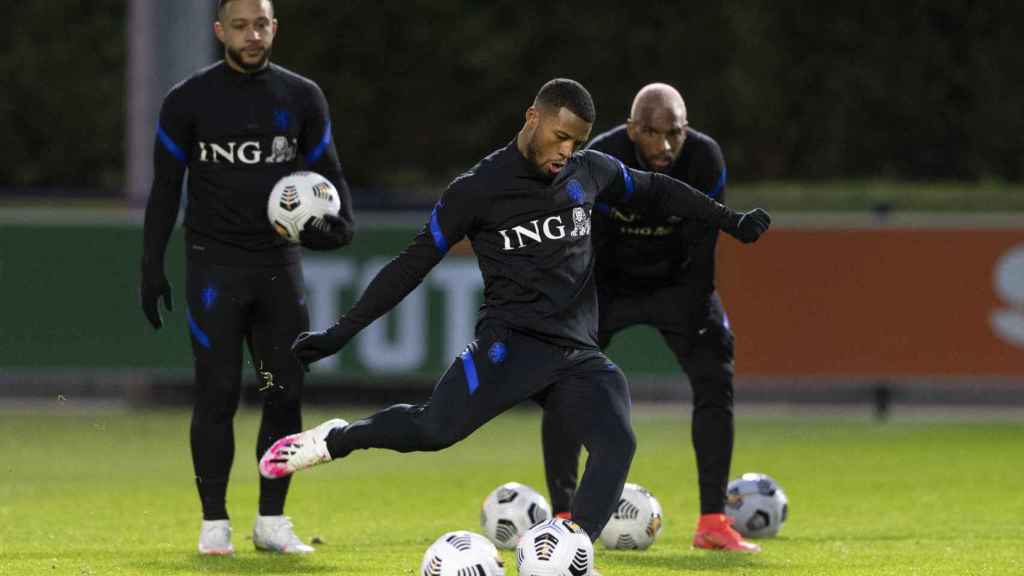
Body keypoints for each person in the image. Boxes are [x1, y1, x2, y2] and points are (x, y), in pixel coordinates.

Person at [257, 79, 769, 547]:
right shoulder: (476, 190)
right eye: (561, 136)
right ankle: (338, 438)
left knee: (617, 443)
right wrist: (341, 332)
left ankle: (572, 551)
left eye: (579, 141)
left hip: (575, 353)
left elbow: (659, 190)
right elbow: (410, 266)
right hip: (509, 345)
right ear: (533, 119)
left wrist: (731, 220)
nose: (567, 151)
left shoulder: (587, 172)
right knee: (433, 431)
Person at [139, 0, 354, 556]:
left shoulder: (301, 96)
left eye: (261, 24)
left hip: (279, 269)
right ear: (219, 32)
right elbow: (165, 187)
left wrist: (340, 226)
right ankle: (214, 524)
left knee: (284, 395)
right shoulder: (187, 100)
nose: (252, 34)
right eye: (240, 25)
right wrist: (150, 264)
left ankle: (272, 522)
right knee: (216, 395)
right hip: (213, 265)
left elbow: (329, 174)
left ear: (275, 28)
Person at [540, 83, 760, 552]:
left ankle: (713, 522)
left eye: (674, 134)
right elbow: (581, 242)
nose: (664, 146)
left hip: (676, 283)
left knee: (715, 373)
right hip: (608, 284)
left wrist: (698, 310)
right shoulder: (602, 156)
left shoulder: (704, 159)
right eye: (652, 133)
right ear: (631, 128)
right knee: (561, 376)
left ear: (687, 129)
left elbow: (705, 244)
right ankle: (561, 515)